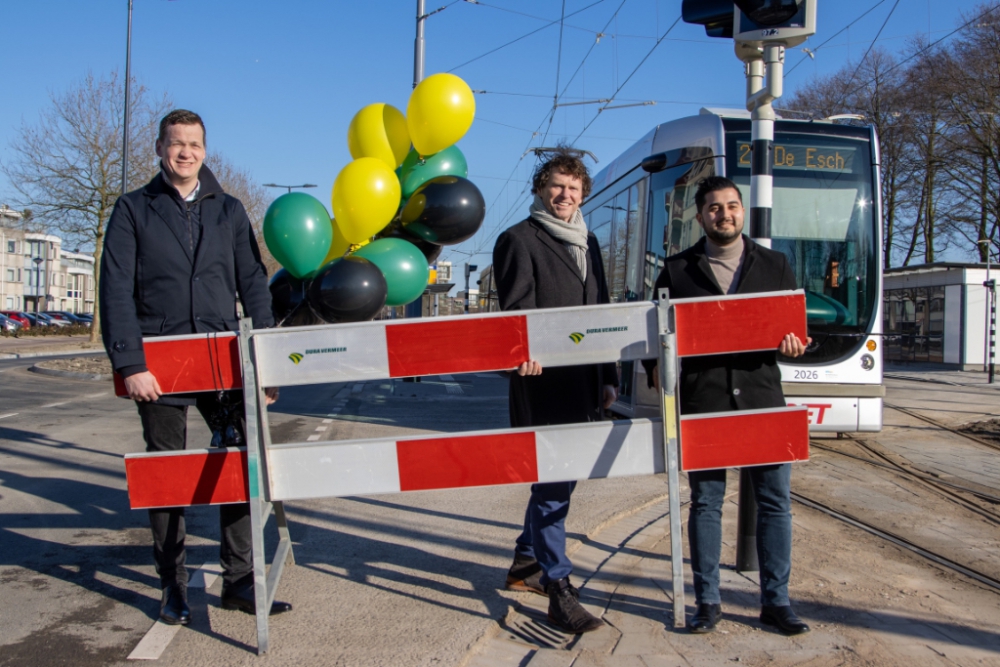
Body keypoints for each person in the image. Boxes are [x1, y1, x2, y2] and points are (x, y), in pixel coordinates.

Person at [100, 109, 290, 626]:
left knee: (240, 467)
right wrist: (130, 364)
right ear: (160, 147)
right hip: (158, 367)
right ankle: (172, 585)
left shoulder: (229, 210)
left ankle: (239, 582)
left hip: (223, 362)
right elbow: (115, 291)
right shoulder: (132, 209)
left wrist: (265, 365)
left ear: (206, 150)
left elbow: (253, 284)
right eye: (176, 143)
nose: (186, 152)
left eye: (194, 144)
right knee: (167, 478)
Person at [643, 176, 811, 636]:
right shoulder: (676, 271)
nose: (725, 215)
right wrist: (656, 369)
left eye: (732, 206)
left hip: (762, 399)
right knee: (707, 502)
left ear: (743, 211)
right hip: (705, 401)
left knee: (775, 504)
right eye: (714, 208)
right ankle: (708, 602)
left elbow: (790, 329)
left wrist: (795, 346)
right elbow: (649, 334)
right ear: (700, 217)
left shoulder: (776, 265)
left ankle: (776, 602)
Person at [492, 148, 618, 634]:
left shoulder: (589, 242)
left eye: (573, 188)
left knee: (560, 483)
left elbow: (602, 314)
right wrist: (522, 351)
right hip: (542, 384)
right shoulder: (518, 240)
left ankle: (526, 564)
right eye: (556, 187)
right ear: (540, 191)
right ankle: (558, 586)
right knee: (551, 487)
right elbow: (515, 312)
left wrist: (608, 376)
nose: (565, 196)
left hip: (585, 383)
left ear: (583, 193)